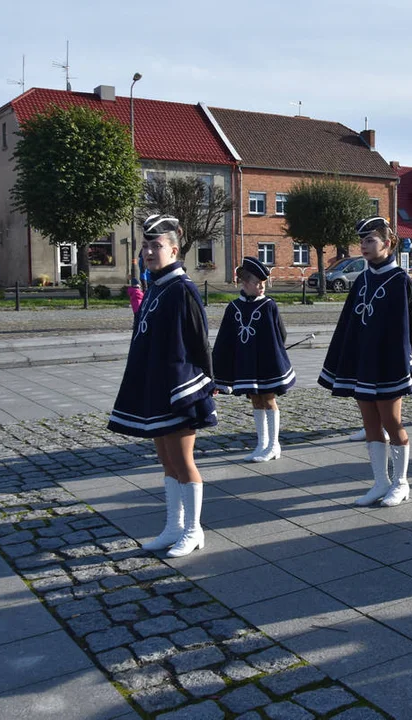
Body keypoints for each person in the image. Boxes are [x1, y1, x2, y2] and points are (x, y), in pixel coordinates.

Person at [108, 215, 217, 558]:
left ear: (174, 249)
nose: (149, 252)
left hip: (179, 385)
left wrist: (207, 384)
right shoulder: (155, 286)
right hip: (154, 382)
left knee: (183, 461)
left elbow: (200, 341)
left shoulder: (182, 289)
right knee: (165, 460)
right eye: (145, 246)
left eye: (157, 246)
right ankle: (173, 526)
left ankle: (193, 530)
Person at [319, 216, 412, 507]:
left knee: (391, 421)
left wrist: (402, 355)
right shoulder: (363, 278)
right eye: (362, 241)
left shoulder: (399, 279)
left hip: (389, 362)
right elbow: (351, 321)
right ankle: (380, 482)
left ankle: (401, 483)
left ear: (387, 243)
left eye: (370, 240)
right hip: (364, 361)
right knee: (370, 422)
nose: (364, 245)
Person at [213, 257, 297, 463]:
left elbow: (281, 334)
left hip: (266, 363)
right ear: (244, 283)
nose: (261, 287)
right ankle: (261, 443)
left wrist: (272, 353)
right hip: (246, 364)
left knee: (268, 399)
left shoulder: (269, 305)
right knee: (255, 400)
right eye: (257, 283)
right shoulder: (233, 308)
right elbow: (225, 340)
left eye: (263, 283)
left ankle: (274, 444)